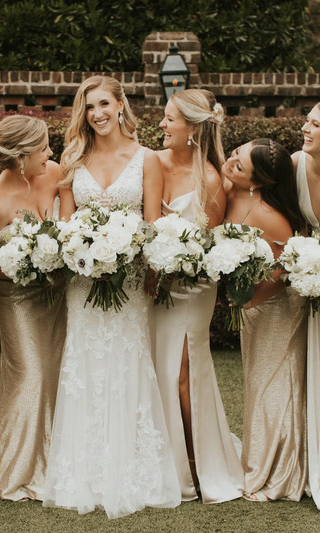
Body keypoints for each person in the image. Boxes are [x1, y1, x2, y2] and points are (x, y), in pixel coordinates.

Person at [43, 75, 181, 519]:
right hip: (83, 282)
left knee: (125, 363)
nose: (97, 114)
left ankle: (131, 470)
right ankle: (83, 471)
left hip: (130, 282)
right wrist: (80, 249)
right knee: (84, 364)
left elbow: (152, 223)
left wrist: (143, 267)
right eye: (88, 107)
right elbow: (66, 227)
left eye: (104, 104)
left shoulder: (148, 159)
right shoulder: (72, 159)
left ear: (121, 105)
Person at [154, 89, 244, 503]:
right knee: (162, 370)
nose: (163, 125)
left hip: (192, 288)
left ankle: (198, 464)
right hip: (157, 285)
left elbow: (207, 249)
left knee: (184, 374)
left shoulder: (209, 179)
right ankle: (169, 459)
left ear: (192, 129)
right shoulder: (154, 164)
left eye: (170, 119)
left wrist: (176, 262)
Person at [0, 115, 67, 501]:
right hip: (17, 298)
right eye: (43, 148)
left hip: (60, 293)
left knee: (60, 373)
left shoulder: (55, 173)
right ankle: (17, 468)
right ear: (19, 156)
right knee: (30, 375)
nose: (50, 153)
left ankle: (59, 459)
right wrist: (31, 262)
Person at [224, 138, 306, 502]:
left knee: (273, 385)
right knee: (256, 383)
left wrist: (249, 300)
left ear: (256, 183)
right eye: (234, 153)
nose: (230, 163)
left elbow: (285, 269)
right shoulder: (231, 190)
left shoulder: (270, 217)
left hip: (275, 309)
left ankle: (276, 471)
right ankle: (258, 458)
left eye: (238, 166)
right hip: (252, 308)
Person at [292, 103, 320, 509]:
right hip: (311, 280)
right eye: (308, 119)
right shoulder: (295, 163)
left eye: (316, 124)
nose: (306, 127)